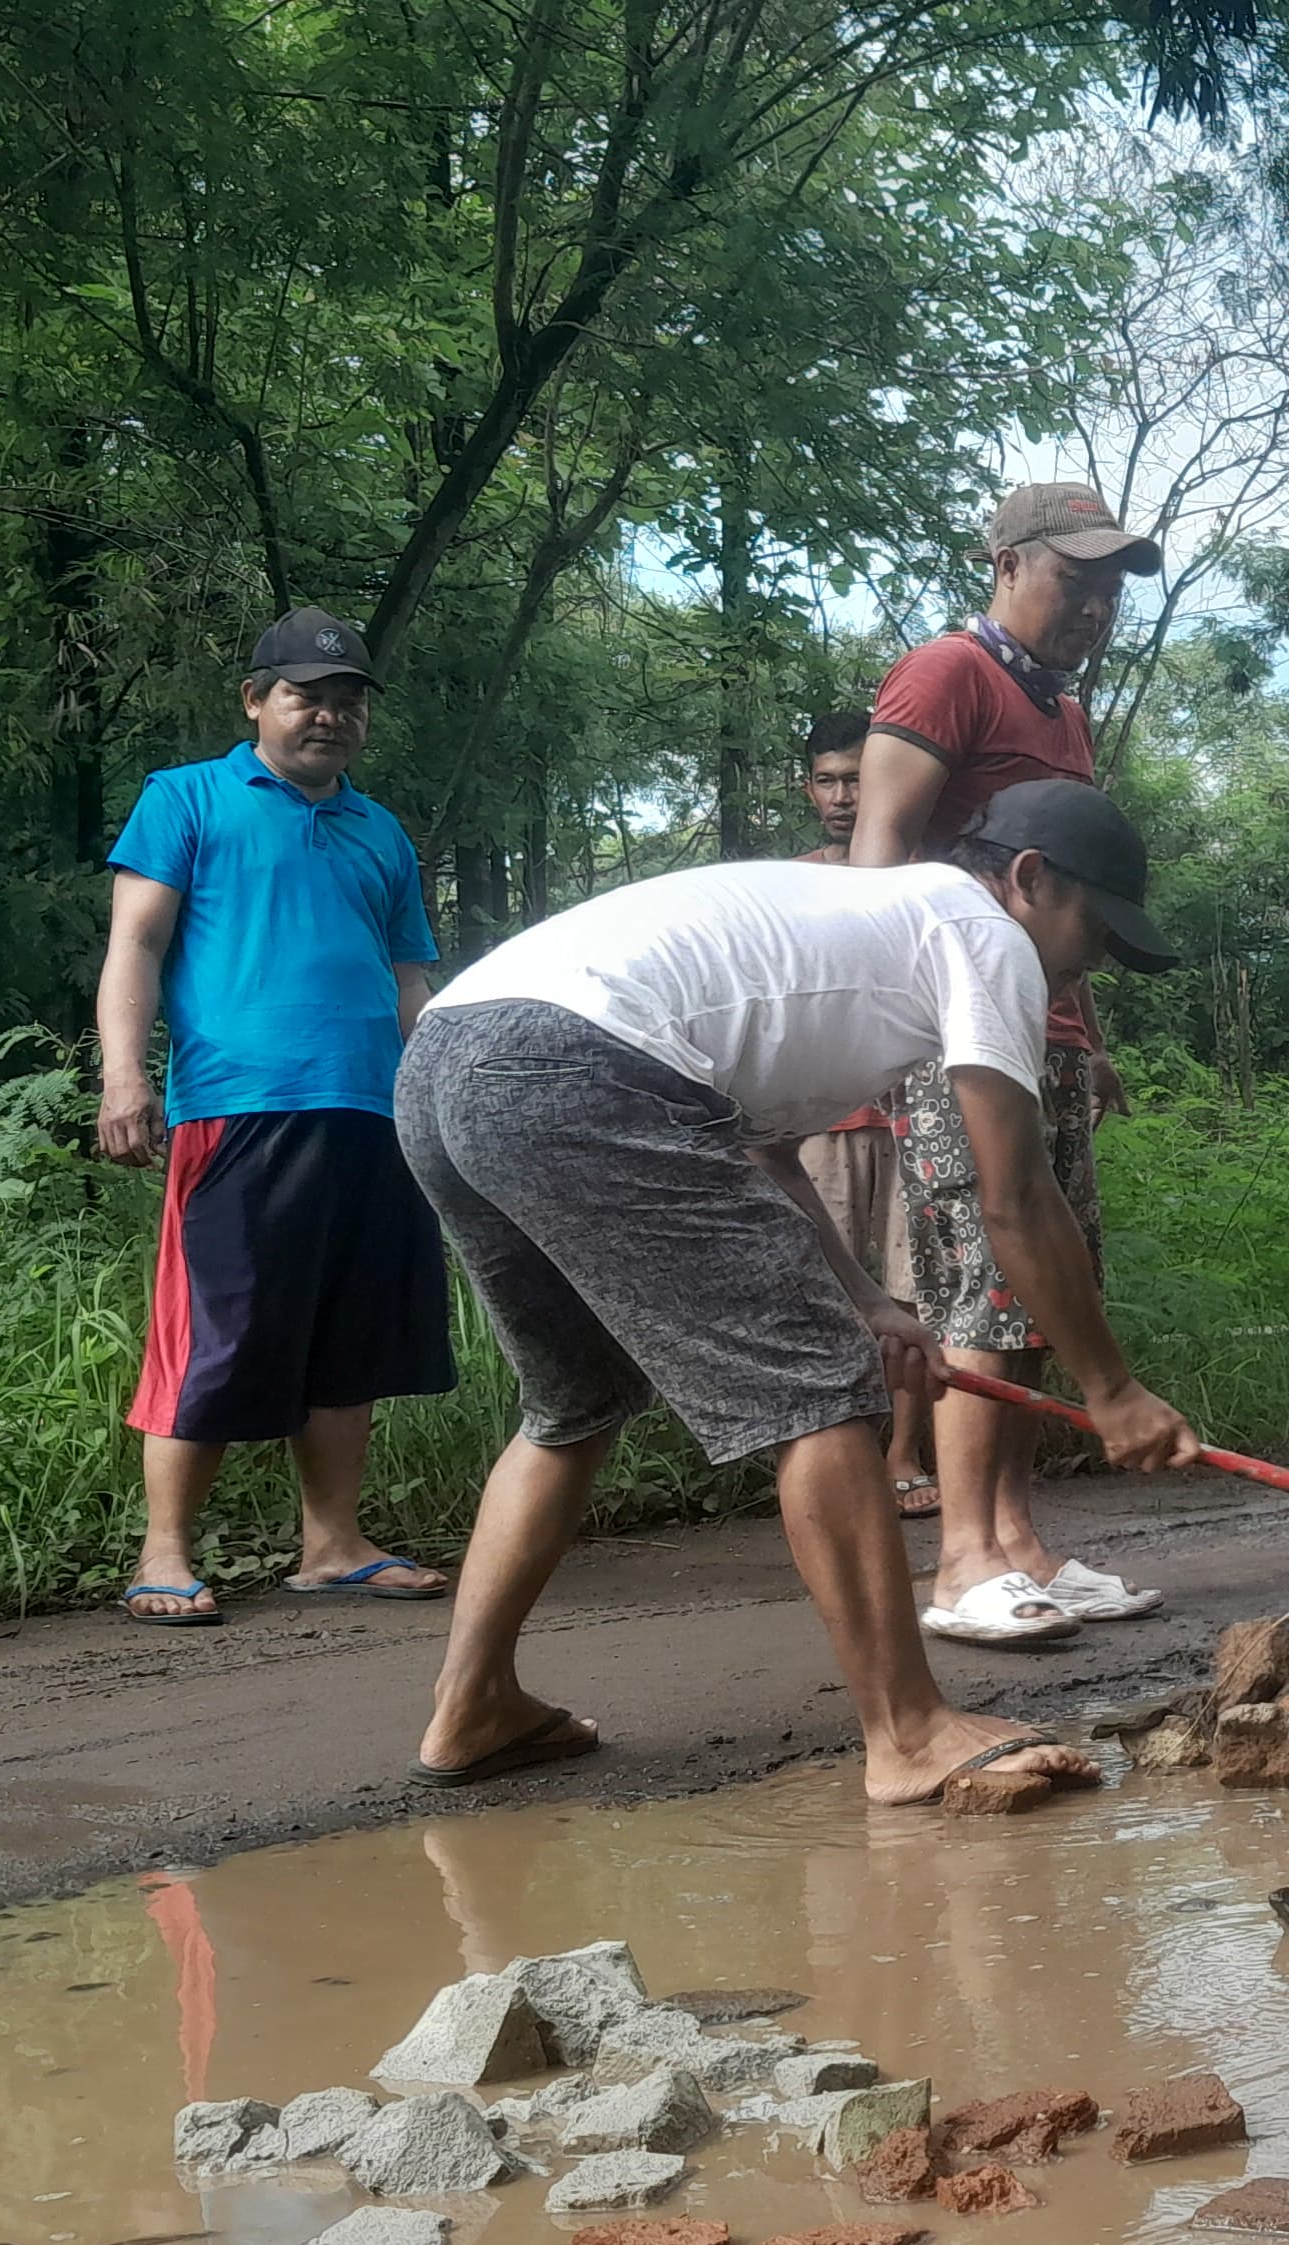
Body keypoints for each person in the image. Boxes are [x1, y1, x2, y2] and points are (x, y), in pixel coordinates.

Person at [392, 779, 1200, 1801]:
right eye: (1093, 930)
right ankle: (910, 1732)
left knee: (575, 1402)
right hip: (572, 1062)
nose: (1088, 965)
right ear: (1031, 880)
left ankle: (472, 1705)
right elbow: (1018, 1199)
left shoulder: (859, 929)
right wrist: (1112, 1390)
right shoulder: (981, 933)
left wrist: (866, 1297)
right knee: (821, 1395)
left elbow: (763, 1155)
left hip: (447, 1062)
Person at [845, 484, 1167, 1646]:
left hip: (1042, 1023)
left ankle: (1020, 1540)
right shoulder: (945, 672)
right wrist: (883, 1025)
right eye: (1073, 579)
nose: (1094, 605)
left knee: (1045, 1275)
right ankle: (961, 1558)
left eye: (1110, 588)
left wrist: (1090, 1030)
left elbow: (1063, 892)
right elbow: (879, 848)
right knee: (982, 1270)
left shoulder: (1061, 711)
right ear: (1005, 563)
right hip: (947, 1021)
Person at [96, 606, 458, 1626]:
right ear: (256, 700)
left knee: (353, 1332)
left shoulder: (379, 830)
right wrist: (127, 1076)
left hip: (370, 1108)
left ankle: (332, 1542)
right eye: (307, 695)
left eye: (348, 701)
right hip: (239, 1106)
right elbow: (137, 946)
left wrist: (437, 1097)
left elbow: (410, 983)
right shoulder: (188, 799)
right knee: (212, 1329)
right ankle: (164, 1550)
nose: (330, 716)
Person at [786, 707, 935, 1518]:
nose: (844, 796)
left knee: (912, 1291)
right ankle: (830, 1457)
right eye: (829, 780)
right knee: (825, 1290)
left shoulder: (921, 873)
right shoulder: (796, 882)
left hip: (914, 1112)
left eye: (857, 778)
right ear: (809, 789)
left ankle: (903, 1453)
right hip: (823, 1122)